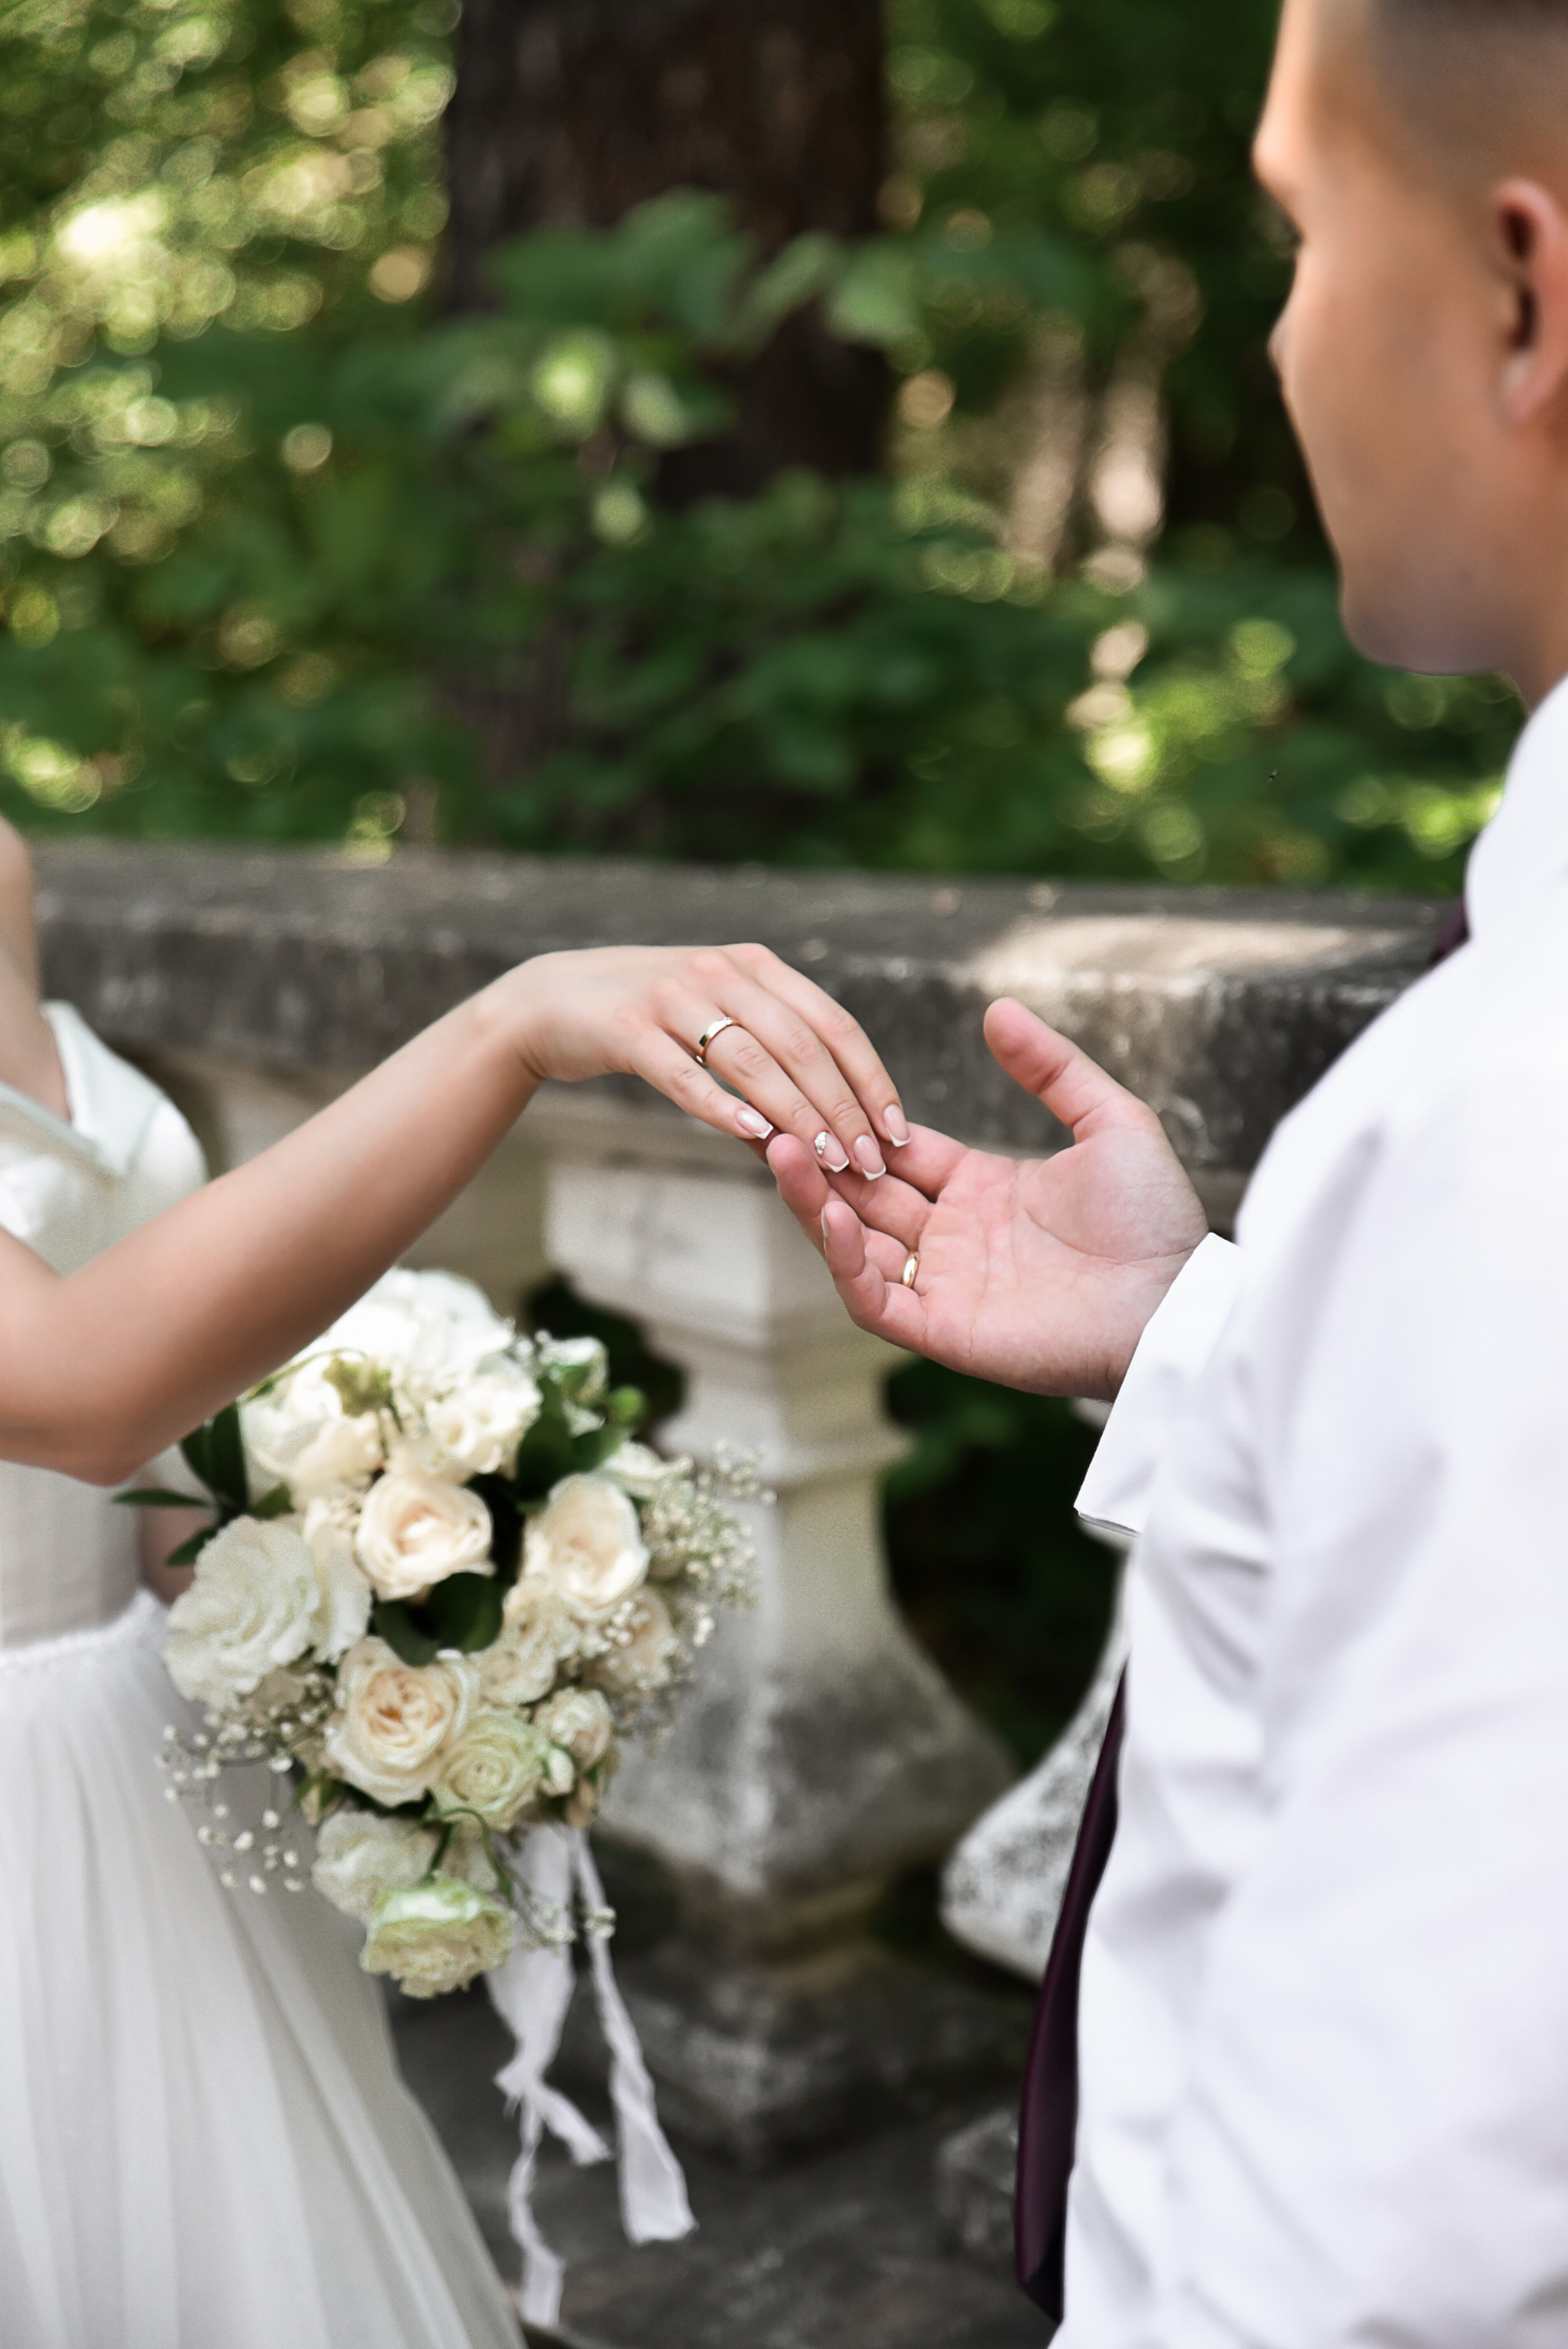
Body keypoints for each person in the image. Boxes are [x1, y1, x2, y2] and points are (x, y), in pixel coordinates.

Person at [767, 0, 1568, 2337]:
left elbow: (1403, 2231)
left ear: (1526, 295)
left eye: (1304, 232)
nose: (1285, 336)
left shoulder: (1504, 1124)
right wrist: (1203, 1328)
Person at [0, 817, 905, 2349]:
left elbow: (129, 1423)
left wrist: (363, 1589)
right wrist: (508, 1026)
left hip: (145, 1767)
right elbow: (76, 1387)